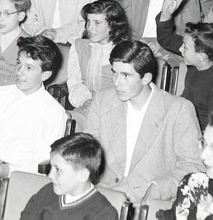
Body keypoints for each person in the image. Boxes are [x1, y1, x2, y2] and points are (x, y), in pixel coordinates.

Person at [86, 39, 202, 203]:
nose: (116, 82)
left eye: (126, 75)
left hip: (148, 201)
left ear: (146, 78)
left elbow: (193, 166)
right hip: (104, 195)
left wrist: (160, 187)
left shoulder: (178, 109)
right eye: (115, 73)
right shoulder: (102, 100)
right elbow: (87, 151)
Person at [0, 35, 67, 175]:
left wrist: (8, 170)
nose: (19, 72)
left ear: (45, 75)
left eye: (29, 68)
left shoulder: (54, 112)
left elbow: (44, 163)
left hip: (20, 179)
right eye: (19, 63)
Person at [156, 11, 213, 130]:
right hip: (185, 124)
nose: (180, 49)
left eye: (185, 47)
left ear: (202, 56)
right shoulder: (194, 69)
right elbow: (184, 100)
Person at [20, 133, 118, 220]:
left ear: (82, 175)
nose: (50, 175)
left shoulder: (103, 213)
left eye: (58, 170)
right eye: (51, 167)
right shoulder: (46, 193)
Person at [66, 0, 131, 130]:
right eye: (88, 21)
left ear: (112, 25)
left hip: (117, 111)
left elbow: (132, 90)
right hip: (87, 108)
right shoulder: (79, 46)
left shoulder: (126, 50)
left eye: (97, 23)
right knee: (61, 120)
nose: (90, 28)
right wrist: (84, 100)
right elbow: (74, 82)